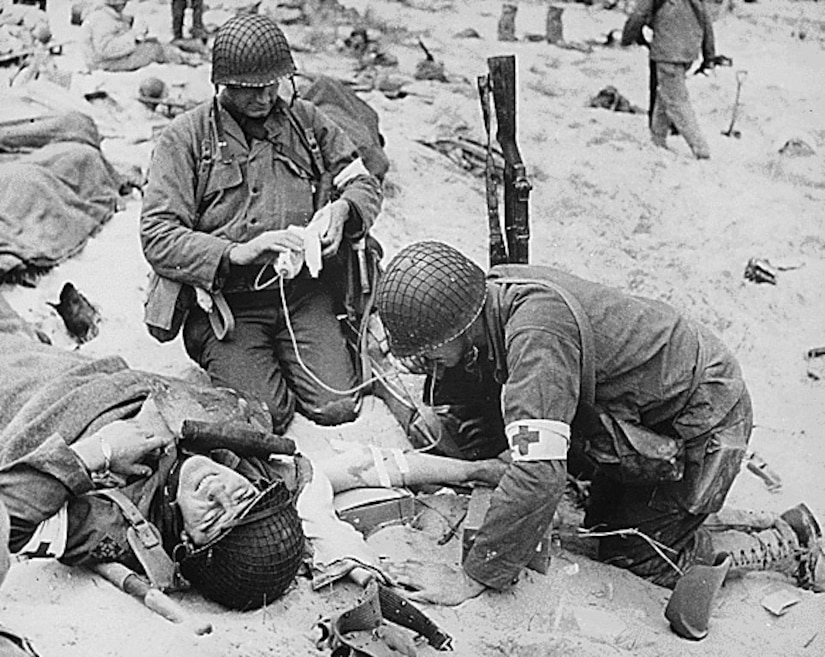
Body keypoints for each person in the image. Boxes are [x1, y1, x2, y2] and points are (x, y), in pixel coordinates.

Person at [375, 241, 824, 605]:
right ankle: (719, 515)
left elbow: (539, 474)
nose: (429, 362)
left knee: (639, 556)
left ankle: (788, 541)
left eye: (432, 350)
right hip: (649, 417)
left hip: (705, 422)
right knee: (604, 521)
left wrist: (473, 576)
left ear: (459, 328)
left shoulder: (537, 338)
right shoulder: (491, 292)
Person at [0, 296, 506, 610]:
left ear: (186, 544)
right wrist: (474, 469)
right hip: (86, 372)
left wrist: (100, 450)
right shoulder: (256, 483)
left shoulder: (117, 526)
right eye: (238, 494)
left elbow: (10, 520)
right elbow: (360, 467)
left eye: (214, 516)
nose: (220, 489)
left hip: (23, 398)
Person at [141, 14, 383, 434]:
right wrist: (236, 252)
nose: (265, 97)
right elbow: (158, 234)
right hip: (228, 305)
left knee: (337, 407)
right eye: (251, 89)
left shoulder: (306, 123)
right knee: (267, 417)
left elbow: (361, 180)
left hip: (303, 296)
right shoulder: (186, 138)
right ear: (223, 85)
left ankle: (303, 355)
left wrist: (343, 213)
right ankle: (241, 361)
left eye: (273, 85)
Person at [621, 0, 715, 159]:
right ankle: (657, 139)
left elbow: (638, 15)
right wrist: (709, 55)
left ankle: (700, 148)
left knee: (676, 100)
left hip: (667, 51)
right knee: (664, 94)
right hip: (689, 52)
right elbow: (706, 21)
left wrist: (627, 39)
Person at [81, 0, 198, 72]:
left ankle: (182, 56)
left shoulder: (106, 15)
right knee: (153, 50)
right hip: (104, 64)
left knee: (153, 44)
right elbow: (106, 49)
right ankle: (183, 59)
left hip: (107, 60)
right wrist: (134, 36)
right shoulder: (101, 18)